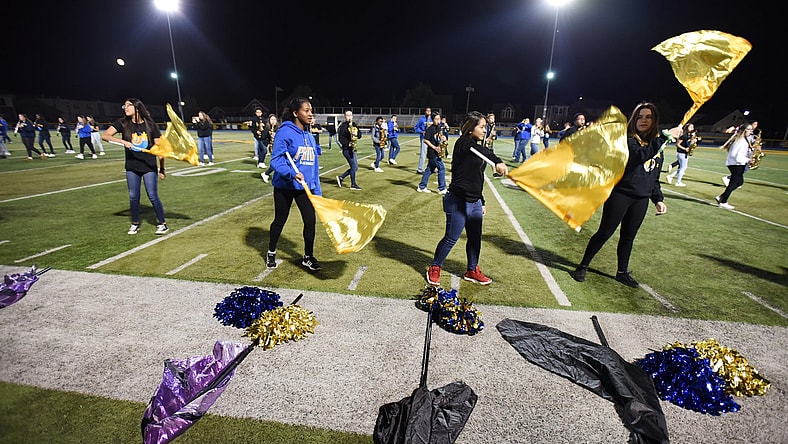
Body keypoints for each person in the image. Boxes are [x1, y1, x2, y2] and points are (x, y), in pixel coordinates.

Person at [570, 102, 681, 288]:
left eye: (648, 117)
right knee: (605, 232)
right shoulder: (628, 140)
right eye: (640, 116)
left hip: (641, 198)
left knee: (628, 237)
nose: (643, 120)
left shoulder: (656, 144)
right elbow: (640, 157)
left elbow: (653, 175)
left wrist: (658, 199)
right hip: (621, 195)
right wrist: (663, 138)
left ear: (654, 120)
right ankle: (582, 266)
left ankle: (622, 272)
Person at [426, 111, 508, 287]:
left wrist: (482, 201)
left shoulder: (477, 147)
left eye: (485, 127)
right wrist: (497, 161)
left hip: (475, 201)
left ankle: (472, 270)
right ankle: (435, 267)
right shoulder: (464, 143)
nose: (485, 130)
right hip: (458, 200)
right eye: (482, 127)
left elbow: (476, 177)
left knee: (475, 238)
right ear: (471, 128)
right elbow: (480, 151)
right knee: (451, 238)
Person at [265, 97, 322, 272]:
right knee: (280, 219)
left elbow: (313, 166)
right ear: (296, 113)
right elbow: (275, 160)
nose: (310, 114)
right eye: (306, 110)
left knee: (310, 221)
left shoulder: (309, 135)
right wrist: (291, 173)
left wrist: (317, 191)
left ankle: (308, 257)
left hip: (305, 187)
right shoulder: (285, 132)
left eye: (311, 110)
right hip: (285, 185)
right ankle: (271, 251)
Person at [102, 98, 168, 235]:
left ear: (137, 108)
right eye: (124, 105)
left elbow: (159, 149)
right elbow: (105, 135)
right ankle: (135, 223)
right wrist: (122, 142)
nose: (125, 108)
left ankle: (162, 223)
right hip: (132, 166)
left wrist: (162, 168)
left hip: (149, 165)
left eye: (128, 105)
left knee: (153, 196)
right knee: (133, 196)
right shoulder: (122, 123)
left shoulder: (151, 125)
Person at [716, 122, 754, 210]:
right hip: (736, 164)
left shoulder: (744, 140)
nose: (750, 131)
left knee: (739, 182)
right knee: (733, 183)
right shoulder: (740, 141)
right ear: (743, 130)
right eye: (748, 129)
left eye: (751, 129)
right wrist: (748, 160)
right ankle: (723, 201)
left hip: (738, 163)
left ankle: (721, 197)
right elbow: (735, 155)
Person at [417, 112, 447, 194]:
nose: (438, 121)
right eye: (436, 119)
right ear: (433, 120)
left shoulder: (439, 128)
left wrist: (443, 138)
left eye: (439, 119)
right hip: (433, 153)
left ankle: (421, 187)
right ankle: (441, 188)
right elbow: (425, 140)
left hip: (438, 152)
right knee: (442, 168)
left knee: (429, 170)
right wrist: (434, 147)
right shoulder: (430, 129)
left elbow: (439, 138)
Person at [722, 120, 758, 187]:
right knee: (740, 172)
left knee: (744, 170)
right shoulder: (745, 133)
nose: (756, 126)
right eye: (755, 124)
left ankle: (733, 182)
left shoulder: (752, 134)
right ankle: (729, 180)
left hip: (746, 154)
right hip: (740, 156)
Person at [336, 110, 362, 190]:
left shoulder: (354, 125)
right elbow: (341, 138)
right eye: (347, 115)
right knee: (353, 167)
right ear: (345, 117)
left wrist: (356, 134)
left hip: (353, 149)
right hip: (347, 150)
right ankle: (353, 184)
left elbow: (360, 135)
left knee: (355, 168)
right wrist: (348, 144)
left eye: (350, 115)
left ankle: (341, 177)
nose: (349, 117)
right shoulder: (343, 126)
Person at [665, 122, 696, 187]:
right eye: (690, 127)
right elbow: (677, 144)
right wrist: (685, 149)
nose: (692, 128)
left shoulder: (689, 136)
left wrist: (693, 141)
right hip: (681, 153)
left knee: (683, 168)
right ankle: (678, 182)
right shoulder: (683, 136)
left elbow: (690, 143)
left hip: (684, 154)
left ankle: (670, 176)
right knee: (683, 168)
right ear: (687, 128)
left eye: (692, 127)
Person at [260, 114, 279, 183]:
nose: (273, 121)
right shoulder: (267, 128)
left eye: (274, 119)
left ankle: (266, 174)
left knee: (279, 162)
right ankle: (266, 173)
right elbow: (263, 137)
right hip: (272, 147)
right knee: (277, 162)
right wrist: (268, 143)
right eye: (271, 119)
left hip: (278, 146)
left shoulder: (278, 128)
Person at [414, 107, 432, 173]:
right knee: (423, 154)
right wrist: (422, 132)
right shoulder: (422, 119)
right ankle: (420, 169)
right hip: (424, 138)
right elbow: (416, 128)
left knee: (432, 154)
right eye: (427, 111)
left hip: (431, 139)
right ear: (425, 111)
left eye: (429, 111)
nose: (428, 112)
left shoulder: (432, 119)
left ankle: (431, 168)